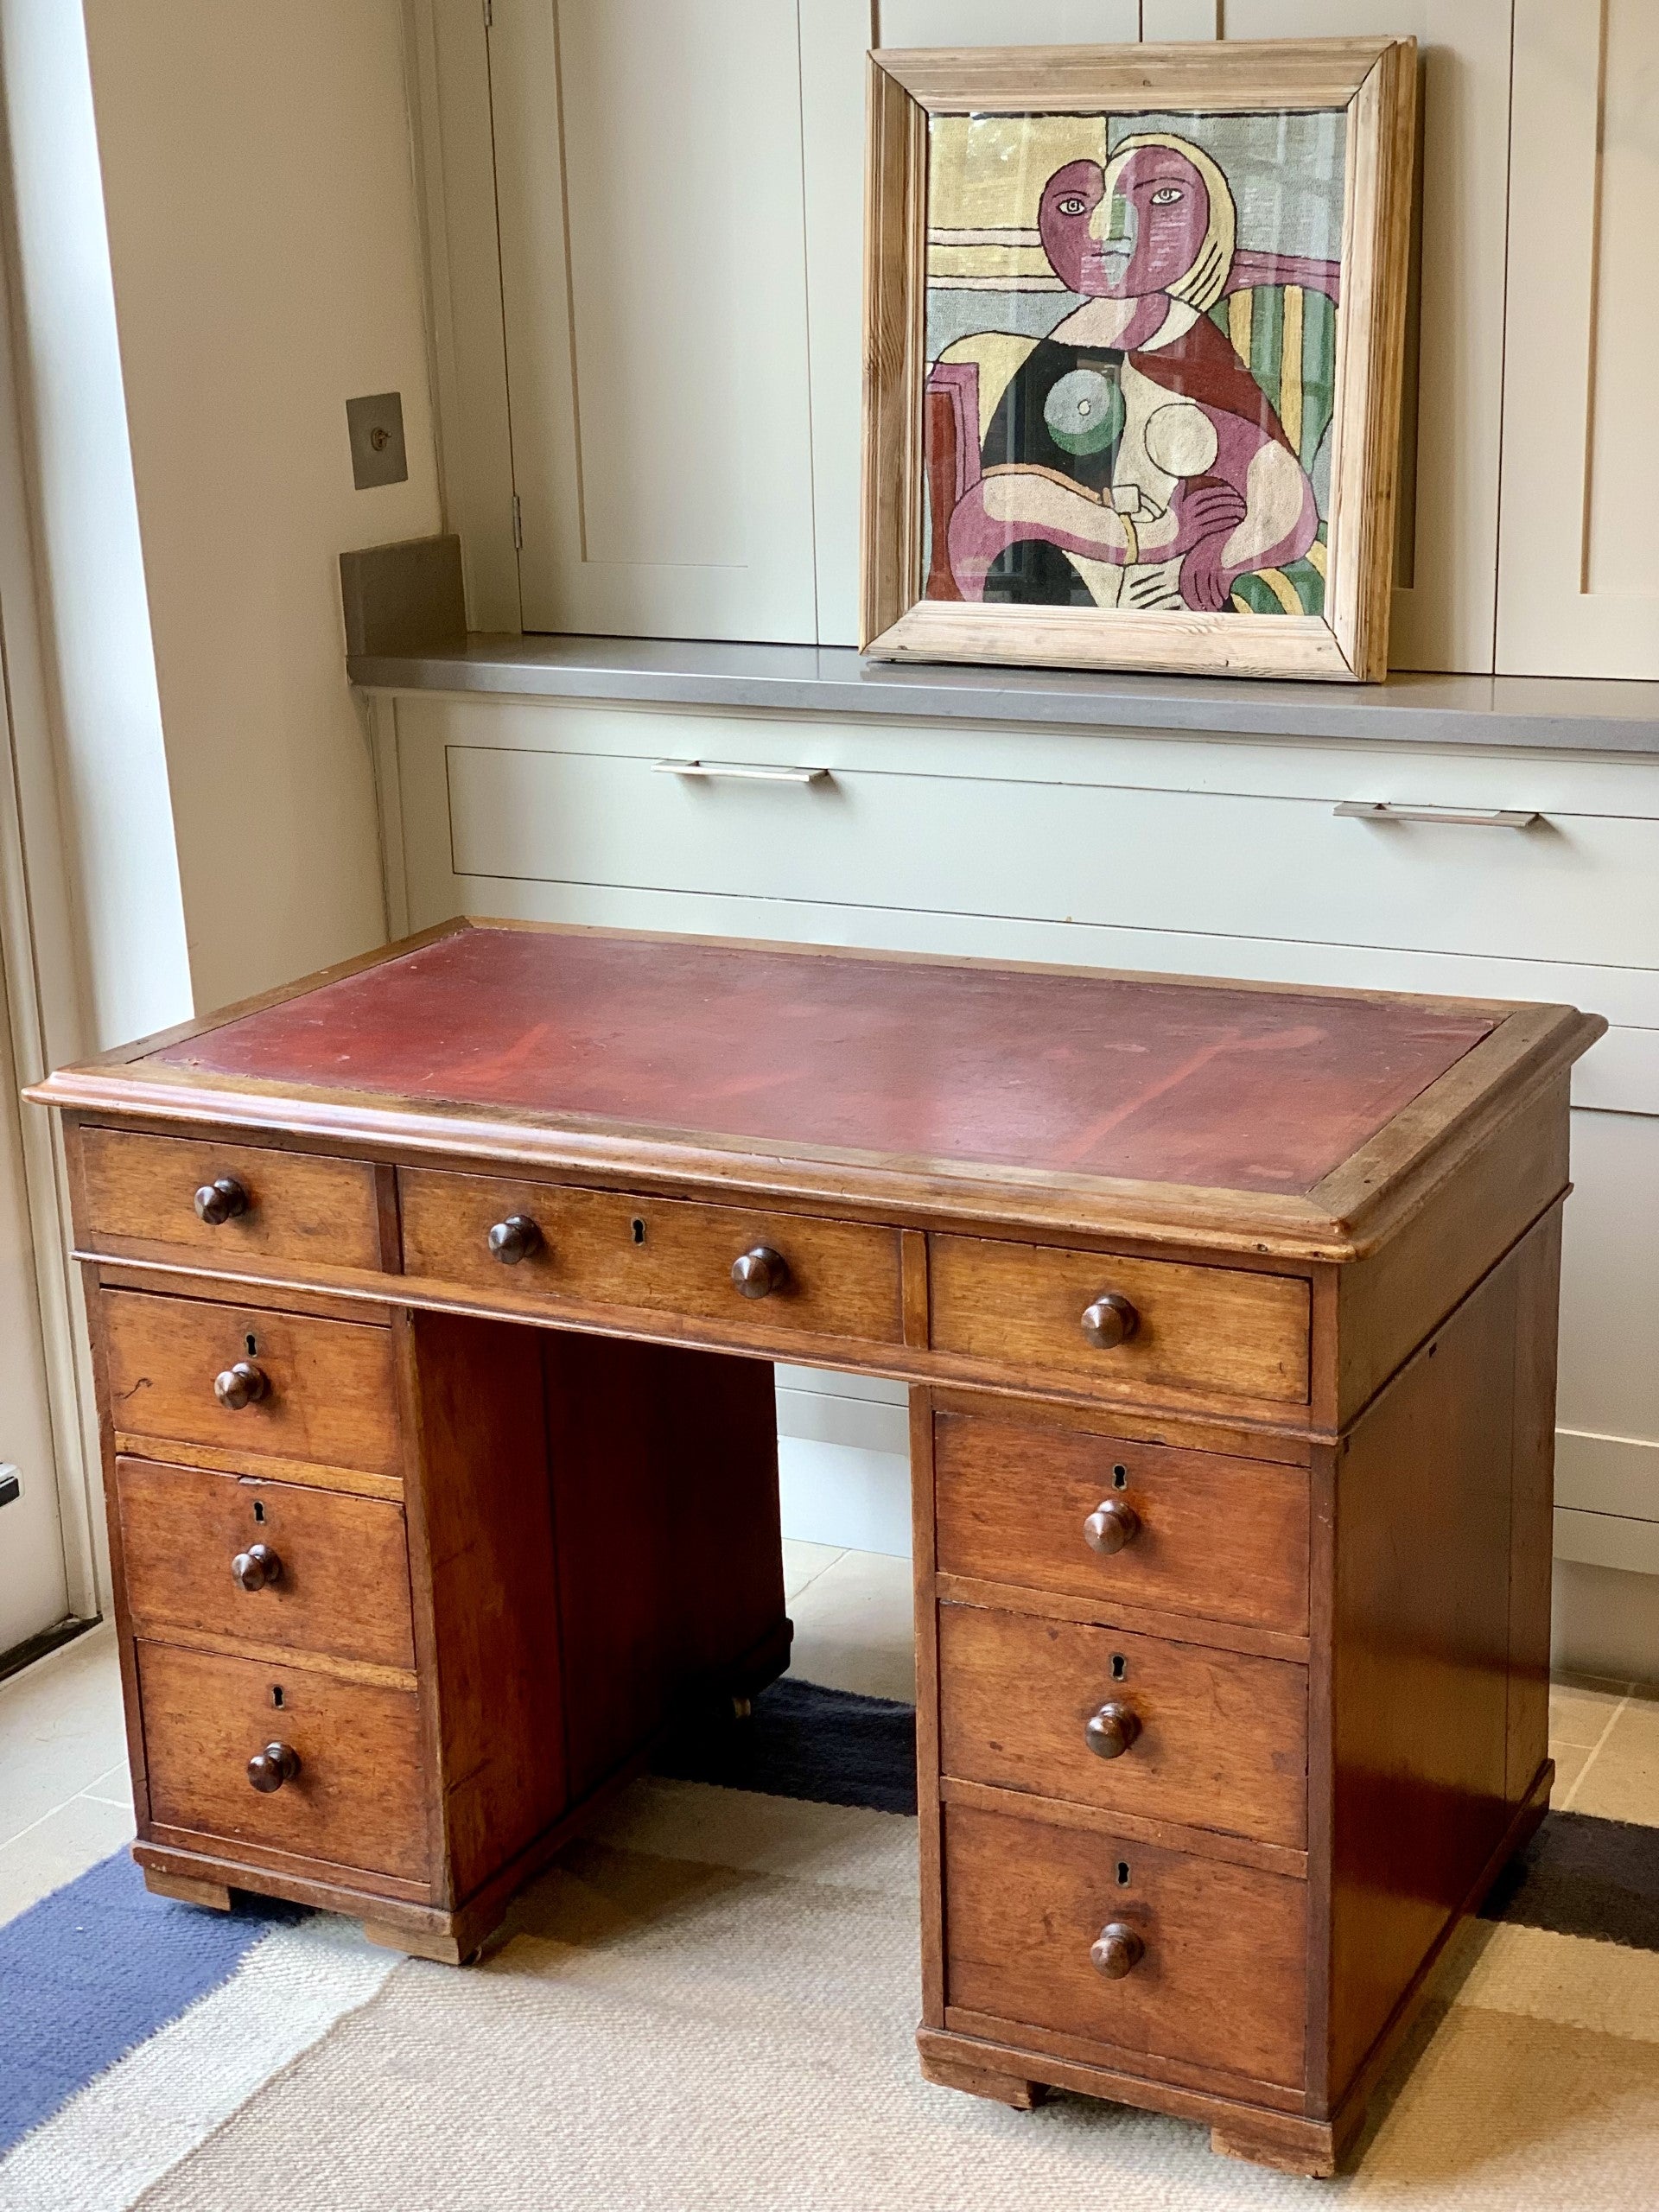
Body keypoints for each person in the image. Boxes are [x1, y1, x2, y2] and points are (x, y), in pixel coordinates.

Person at [940, 133, 1320, 613]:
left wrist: (1226, 555)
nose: (1107, 231)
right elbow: (995, 508)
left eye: (1161, 197)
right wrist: (1148, 534)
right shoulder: (1061, 348)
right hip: (1056, 585)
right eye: (1076, 206)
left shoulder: (1190, 344)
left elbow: (1284, 497)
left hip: (1165, 602)